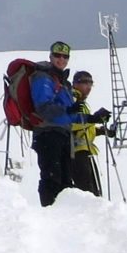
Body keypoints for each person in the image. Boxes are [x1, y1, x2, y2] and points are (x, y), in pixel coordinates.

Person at [29, 41, 82, 205]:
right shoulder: (43, 77)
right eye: (57, 55)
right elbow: (43, 107)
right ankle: (49, 213)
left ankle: (62, 215)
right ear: (50, 56)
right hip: (48, 134)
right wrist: (68, 110)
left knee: (65, 182)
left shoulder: (62, 82)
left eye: (65, 56)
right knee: (52, 178)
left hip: (62, 134)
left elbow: (68, 114)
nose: (61, 59)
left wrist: (91, 118)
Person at [67, 71, 113, 196]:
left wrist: (101, 131)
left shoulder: (81, 101)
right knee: (88, 190)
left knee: (93, 188)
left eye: (90, 83)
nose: (88, 87)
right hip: (76, 152)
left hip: (85, 150)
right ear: (75, 84)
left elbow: (83, 127)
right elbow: (71, 123)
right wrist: (94, 118)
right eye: (84, 82)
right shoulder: (72, 99)